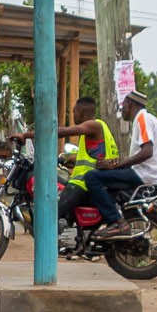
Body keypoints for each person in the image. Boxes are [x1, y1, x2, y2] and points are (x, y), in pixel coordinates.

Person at [18, 95, 114, 225]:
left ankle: (52, 243)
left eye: (74, 112)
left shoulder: (93, 125)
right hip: (97, 182)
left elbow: (62, 132)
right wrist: (68, 159)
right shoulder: (101, 128)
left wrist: (27, 135)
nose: (73, 115)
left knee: (49, 215)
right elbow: (93, 156)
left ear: (81, 112)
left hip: (82, 184)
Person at [86, 89, 157, 239]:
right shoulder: (146, 120)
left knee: (92, 177)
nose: (122, 110)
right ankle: (110, 223)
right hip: (147, 173)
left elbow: (147, 152)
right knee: (107, 188)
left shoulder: (142, 119)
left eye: (123, 105)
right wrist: (116, 164)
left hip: (145, 174)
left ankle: (117, 222)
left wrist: (116, 165)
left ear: (130, 104)